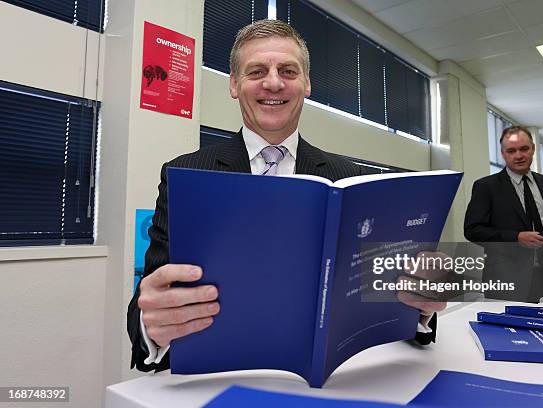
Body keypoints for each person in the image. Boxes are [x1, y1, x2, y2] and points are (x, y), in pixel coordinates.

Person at [127, 20, 445, 372]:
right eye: (257, 71)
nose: (274, 82)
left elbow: (375, 293)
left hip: (328, 381)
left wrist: (419, 307)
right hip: (215, 376)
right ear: (234, 84)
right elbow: (149, 301)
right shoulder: (184, 175)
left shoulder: (352, 179)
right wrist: (150, 327)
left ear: (307, 84)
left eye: (288, 71)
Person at [464, 126, 543, 301]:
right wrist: (515, 237)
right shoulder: (486, 187)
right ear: (503, 154)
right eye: (511, 150)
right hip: (509, 277)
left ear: (533, 149)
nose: (518, 155)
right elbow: (473, 230)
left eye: (524, 149)